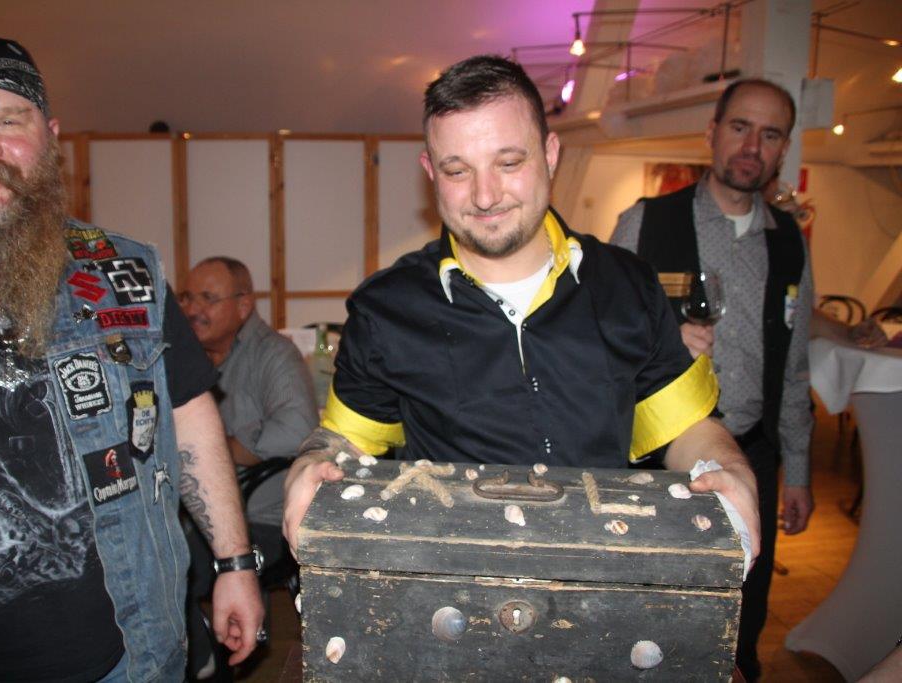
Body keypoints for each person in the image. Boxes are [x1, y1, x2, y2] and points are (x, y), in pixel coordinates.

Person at [282, 54, 760, 587]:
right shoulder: (385, 308)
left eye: (509, 163)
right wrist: (311, 461)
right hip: (449, 587)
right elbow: (346, 439)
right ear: (430, 172)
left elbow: (685, 426)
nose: (485, 196)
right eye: (457, 171)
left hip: (603, 579)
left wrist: (729, 467)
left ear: (551, 154)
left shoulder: (628, 285)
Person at [0, 35, 263, 681]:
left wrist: (235, 564)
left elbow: (189, 416)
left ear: (49, 137)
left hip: (126, 651)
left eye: (10, 121)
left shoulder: (128, 274)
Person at [609, 78, 814, 681]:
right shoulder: (646, 222)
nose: (752, 146)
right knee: (653, 620)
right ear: (712, 133)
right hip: (661, 461)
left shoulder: (789, 242)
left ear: (783, 149)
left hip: (752, 457)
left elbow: (794, 364)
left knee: (743, 619)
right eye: (740, 127)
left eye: (770, 135)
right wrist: (656, 343)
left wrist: (799, 473)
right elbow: (596, 340)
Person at [180, 257, 316, 673]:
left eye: (208, 298)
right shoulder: (185, 356)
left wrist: (218, 450)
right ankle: (194, 649)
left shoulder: (273, 353)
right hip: (191, 511)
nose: (192, 309)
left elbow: (297, 428)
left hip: (261, 515)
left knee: (176, 566)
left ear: (243, 306)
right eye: (186, 297)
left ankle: (203, 658)